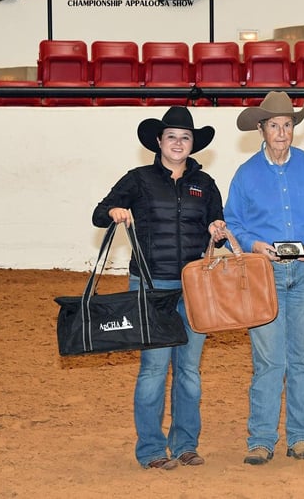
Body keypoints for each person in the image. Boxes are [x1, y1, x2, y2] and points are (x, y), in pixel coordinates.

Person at [92, 106, 226, 470]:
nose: (178, 143)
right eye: (172, 137)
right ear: (159, 141)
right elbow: (99, 212)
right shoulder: (137, 180)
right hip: (150, 285)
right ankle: (151, 449)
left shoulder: (206, 185)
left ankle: (185, 444)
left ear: (192, 144)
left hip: (195, 286)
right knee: (153, 368)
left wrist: (218, 230)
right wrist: (115, 213)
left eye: (185, 137)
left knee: (189, 370)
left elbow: (218, 227)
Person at [224, 91, 304, 466]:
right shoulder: (246, 174)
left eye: (287, 125)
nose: (282, 132)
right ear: (261, 129)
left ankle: (302, 437)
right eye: (274, 125)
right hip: (264, 273)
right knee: (269, 358)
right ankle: (261, 438)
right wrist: (253, 244)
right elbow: (233, 221)